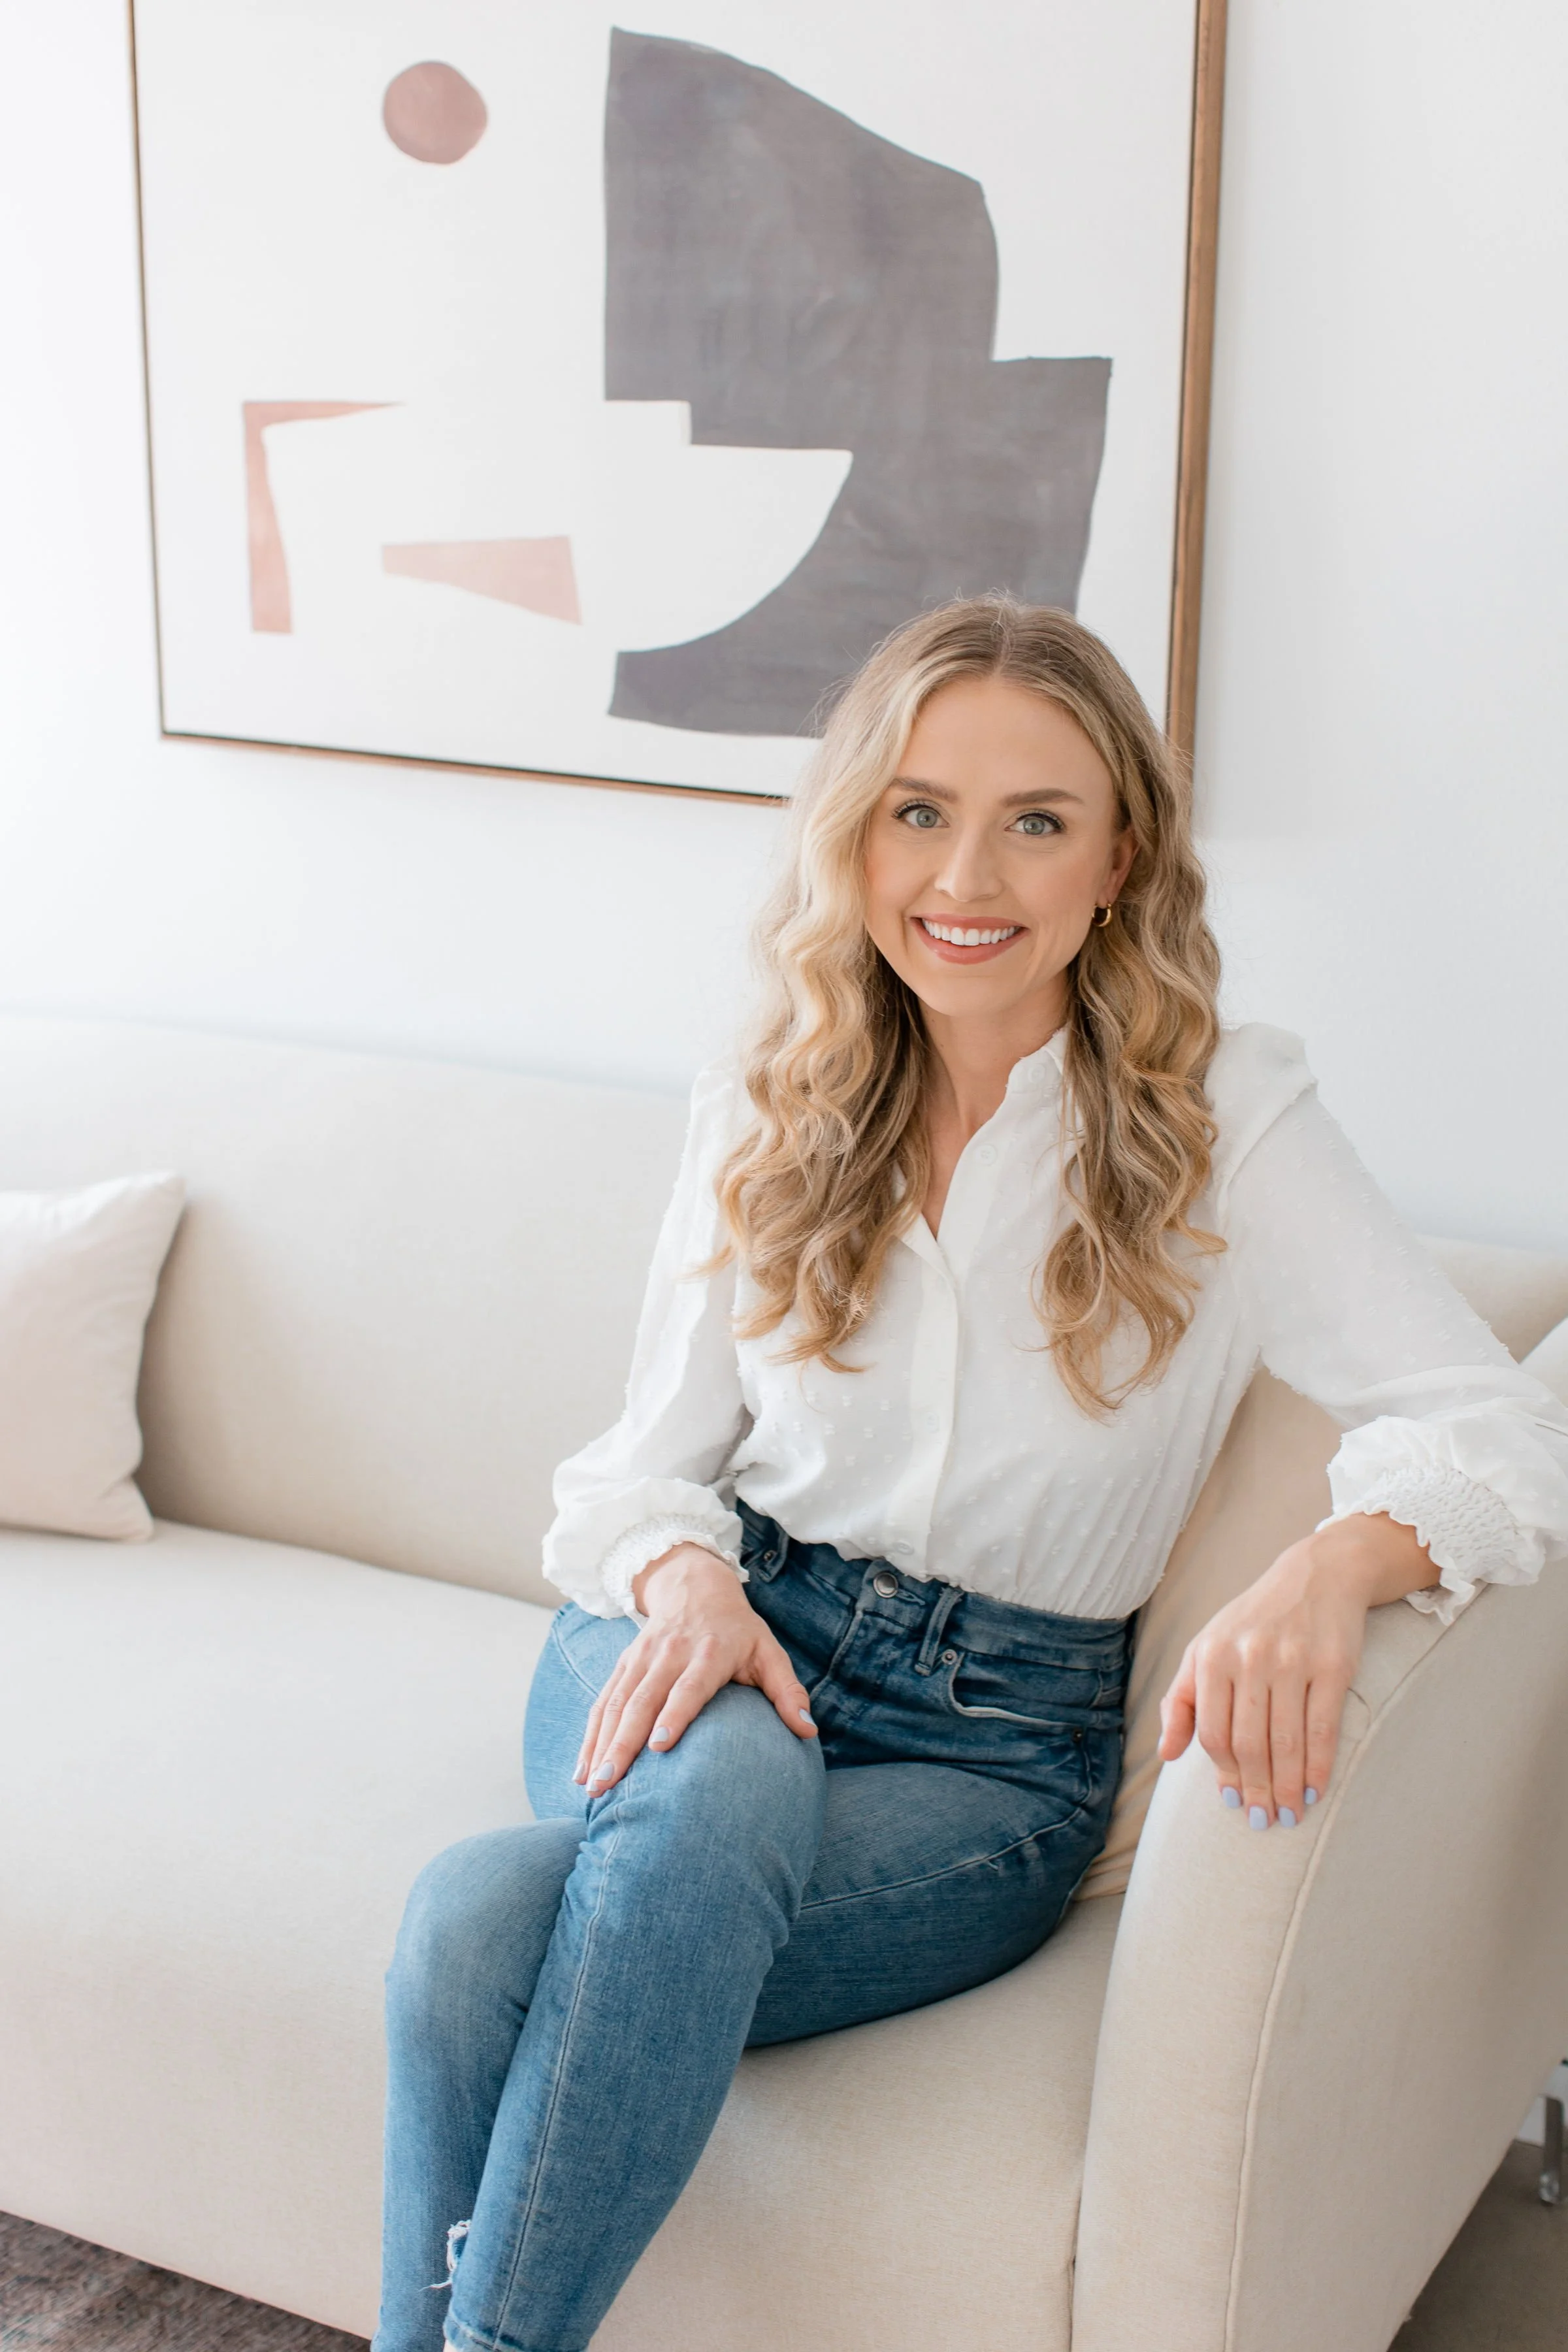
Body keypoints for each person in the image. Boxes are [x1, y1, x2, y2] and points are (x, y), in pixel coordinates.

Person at [371, 598, 1568, 2352]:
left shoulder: (1226, 1119)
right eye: (920, 809)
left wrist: (1331, 1567)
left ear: (1121, 857)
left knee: (476, 1928)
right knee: (704, 1810)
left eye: (1037, 820)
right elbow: (637, 1476)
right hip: (715, 1628)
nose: (969, 873)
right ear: (857, 832)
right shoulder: (772, 1092)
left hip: (989, 1744)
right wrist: (689, 1579)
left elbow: (1504, 1432)